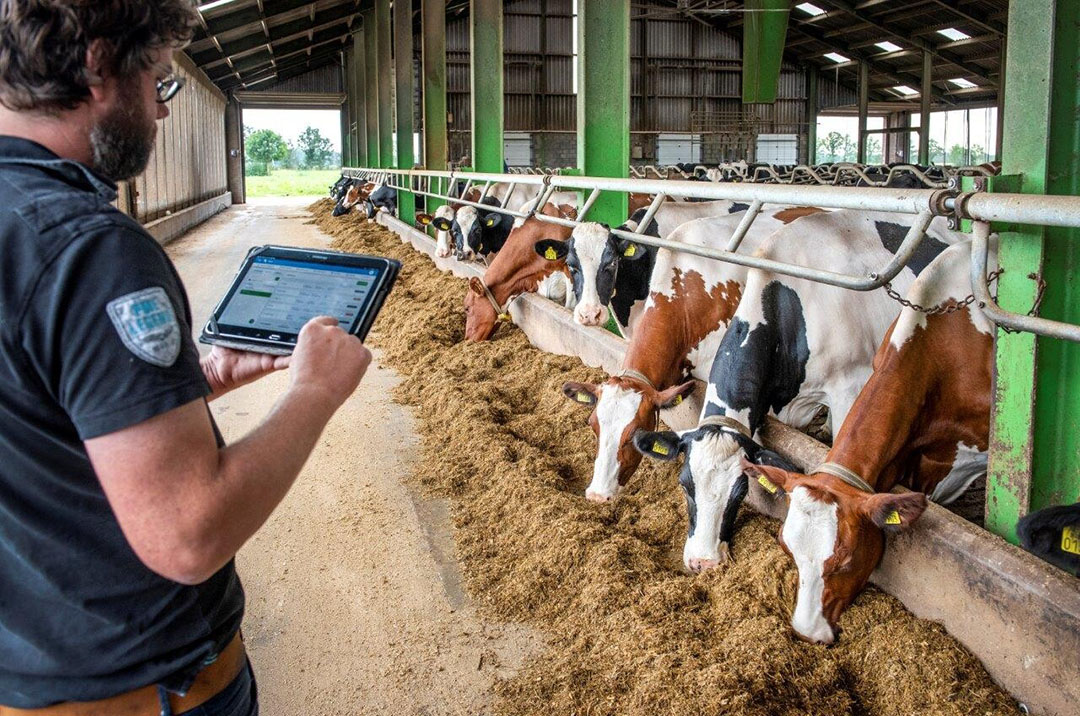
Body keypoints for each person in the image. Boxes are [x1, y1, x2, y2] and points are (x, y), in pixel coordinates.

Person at [0, 1, 372, 714]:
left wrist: (193, 383)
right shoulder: (88, 248)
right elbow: (188, 533)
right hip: (143, 690)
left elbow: (37, 423)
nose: (163, 111)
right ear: (100, 64)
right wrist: (314, 393)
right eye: (161, 81)